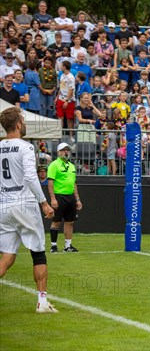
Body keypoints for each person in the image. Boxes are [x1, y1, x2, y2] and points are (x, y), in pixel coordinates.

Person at [0, 106, 57, 313]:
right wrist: (43, 202)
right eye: (23, 120)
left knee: (7, 257)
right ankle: (42, 302)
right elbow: (31, 177)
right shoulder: (25, 147)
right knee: (38, 253)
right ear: (18, 124)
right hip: (24, 204)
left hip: (4, 206)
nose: (24, 124)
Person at [47, 143, 82, 253]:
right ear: (58, 152)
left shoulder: (72, 166)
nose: (66, 152)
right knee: (56, 221)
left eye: (67, 150)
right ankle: (53, 246)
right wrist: (53, 198)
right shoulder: (54, 165)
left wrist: (77, 199)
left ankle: (68, 246)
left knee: (70, 222)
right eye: (63, 150)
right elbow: (50, 182)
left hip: (70, 197)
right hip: (59, 196)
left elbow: (74, 183)